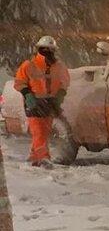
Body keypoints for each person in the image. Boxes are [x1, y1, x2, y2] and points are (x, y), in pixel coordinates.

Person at [14, 36, 70, 168]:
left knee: (44, 132)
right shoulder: (29, 65)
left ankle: (34, 157)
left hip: (51, 104)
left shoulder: (60, 66)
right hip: (34, 103)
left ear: (54, 50)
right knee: (39, 132)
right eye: (43, 49)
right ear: (38, 49)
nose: (46, 51)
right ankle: (43, 158)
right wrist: (27, 94)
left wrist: (61, 94)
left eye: (49, 49)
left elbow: (65, 82)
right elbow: (19, 82)